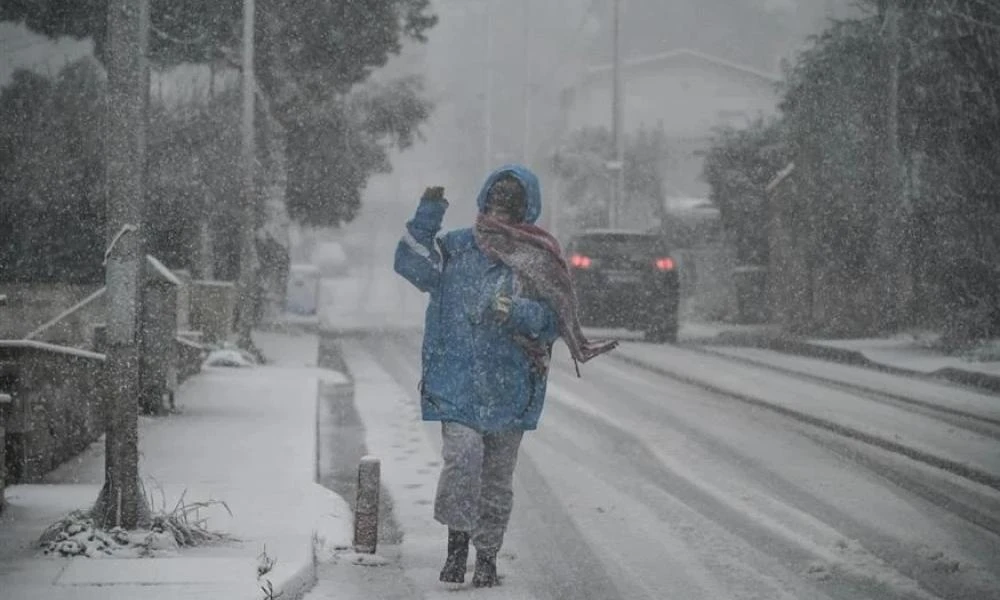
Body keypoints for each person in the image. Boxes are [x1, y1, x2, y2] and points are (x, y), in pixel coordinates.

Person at [393, 165, 617, 587]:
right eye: (494, 202)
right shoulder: (457, 247)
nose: (499, 211)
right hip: (455, 379)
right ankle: (456, 547)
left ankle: (487, 558)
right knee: (463, 460)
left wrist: (517, 312)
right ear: (484, 200)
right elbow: (411, 265)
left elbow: (552, 320)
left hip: (510, 386)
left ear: (524, 209)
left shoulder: (538, 259)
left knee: (496, 479)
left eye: (508, 205)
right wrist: (428, 213)